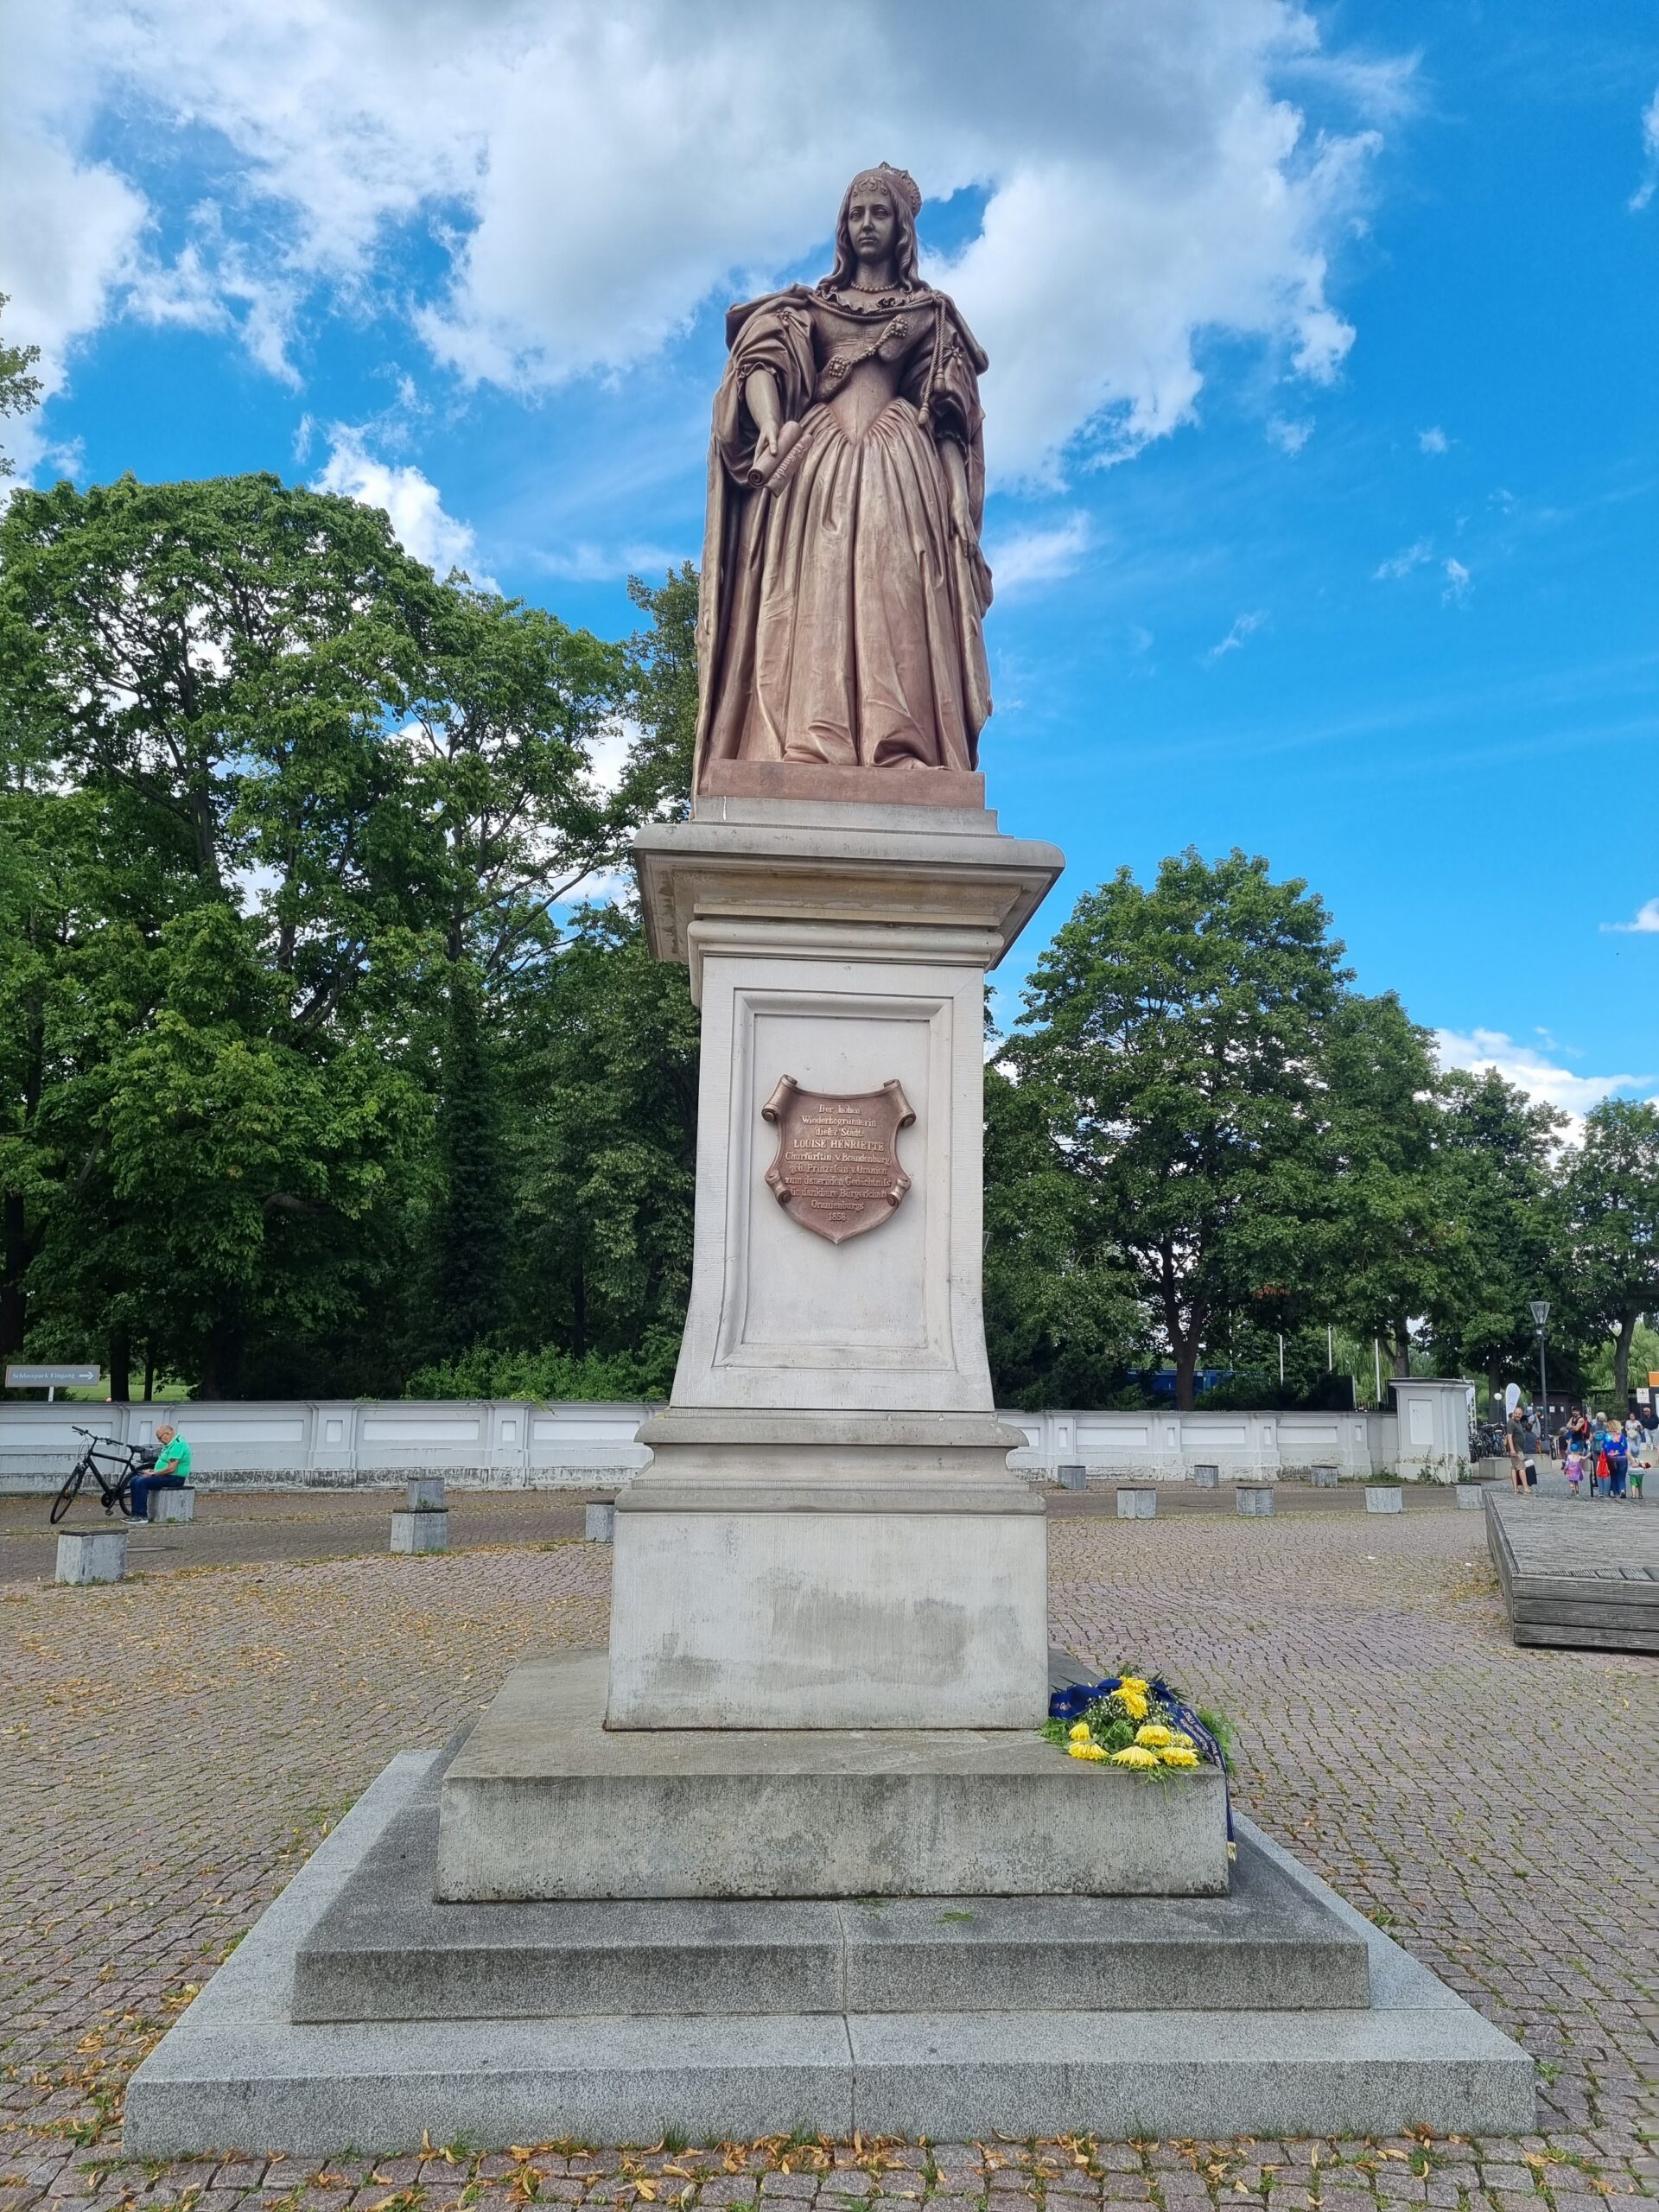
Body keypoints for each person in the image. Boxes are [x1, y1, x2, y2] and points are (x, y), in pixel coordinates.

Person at [129, 1423, 191, 1522]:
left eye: (160, 1437)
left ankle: (141, 1515)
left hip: (174, 1478)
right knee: (134, 1481)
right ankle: (135, 1513)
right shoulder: (170, 1445)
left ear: (168, 1434)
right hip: (167, 1476)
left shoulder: (178, 1445)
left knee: (141, 1483)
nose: (159, 1441)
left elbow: (171, 1469)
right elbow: (165, 1464)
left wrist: (153, 1474)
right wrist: (154, 1471)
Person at [1506, 1402, 1535, 1494]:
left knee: (1514, 1468)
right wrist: (1513, 1449)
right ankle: (1526, 1488)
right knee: (1521, 1468)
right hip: (1516, 1449)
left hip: (1518, 1448)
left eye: (1519, 1414)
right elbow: (1509, 1436)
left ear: (1521, 1415)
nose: (1517, 1415)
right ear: (1513, 1413)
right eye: (1516, 1413)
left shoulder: (1517, 1422)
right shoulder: (1511, 1422)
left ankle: (1516, 1489)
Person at [1604, 1419, 1629, 1500]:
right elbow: (1625, 1448)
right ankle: (1622, 1490)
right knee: (1622, 1476)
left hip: (1610, 1458)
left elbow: (1604, 1448)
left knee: (1613, 1475)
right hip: (1622, 1457)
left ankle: (1616, 1493)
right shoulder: (1621, 1436)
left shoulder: (1606, 1437)